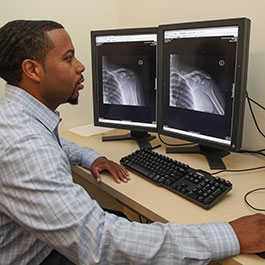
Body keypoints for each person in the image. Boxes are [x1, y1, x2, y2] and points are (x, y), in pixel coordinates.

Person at [0, 19, 264, 265]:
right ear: (32, 70)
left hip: (41, 241)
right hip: (42, 256)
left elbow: (51, 143)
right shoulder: (24, 144)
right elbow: (99, 242)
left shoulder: (18, 116)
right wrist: (229, 235)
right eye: (68, 58)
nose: (80, 66)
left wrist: (91, 157)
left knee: (126, 219)